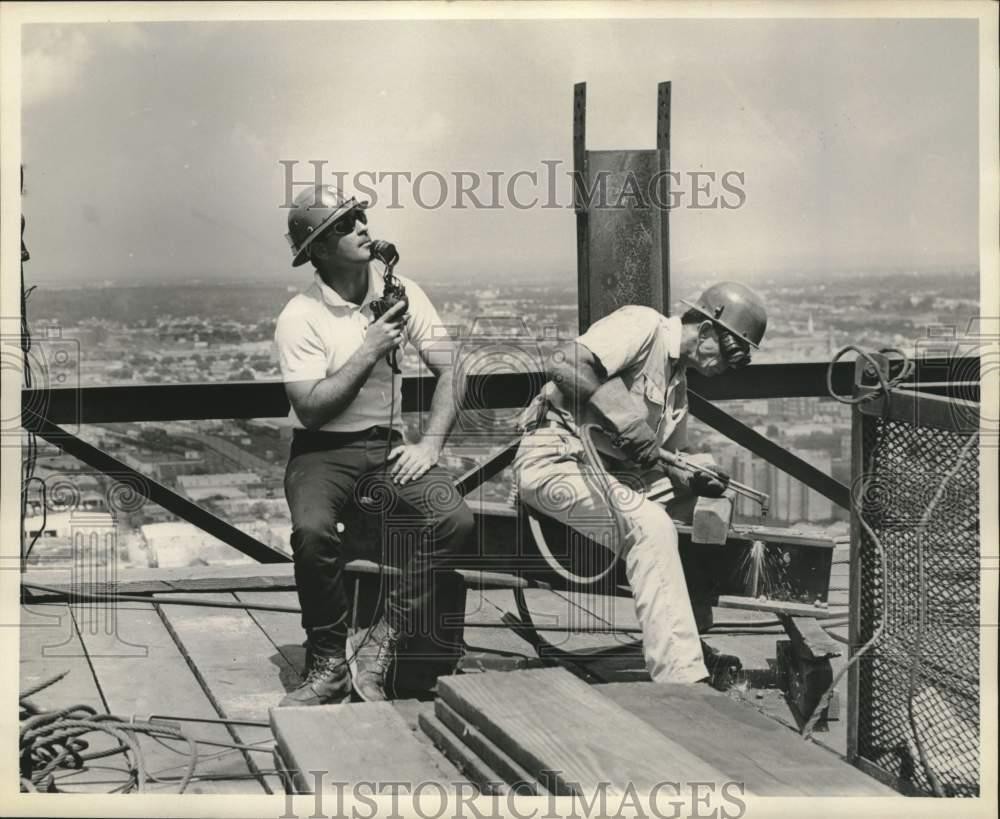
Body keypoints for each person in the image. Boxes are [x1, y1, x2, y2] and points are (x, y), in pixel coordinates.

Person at [274, 184, 473, 704]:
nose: (362, 226)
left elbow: (453, 369)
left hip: (386, 447)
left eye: (360, 216)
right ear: (317, 249)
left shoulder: (401, 290)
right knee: (313, 533)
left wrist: (430, 444)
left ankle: (383, 643)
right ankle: (328, 663)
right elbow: (312, 409)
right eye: (344, 224)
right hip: (320, 452)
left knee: (451, 519)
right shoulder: (300, 316)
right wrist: (369, 350)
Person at [513, 282, 767, 686]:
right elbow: (564, 361)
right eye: (729, 353)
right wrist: (625, 419)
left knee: (693, 495)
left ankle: (688, 632)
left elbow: (662, 463)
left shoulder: (678, 384)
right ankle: (682, 678)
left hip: (609, 474)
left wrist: (692, 477)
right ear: (704, 332)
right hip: (556, 461)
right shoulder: (643, 325)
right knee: (650, 526)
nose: (724, 369)